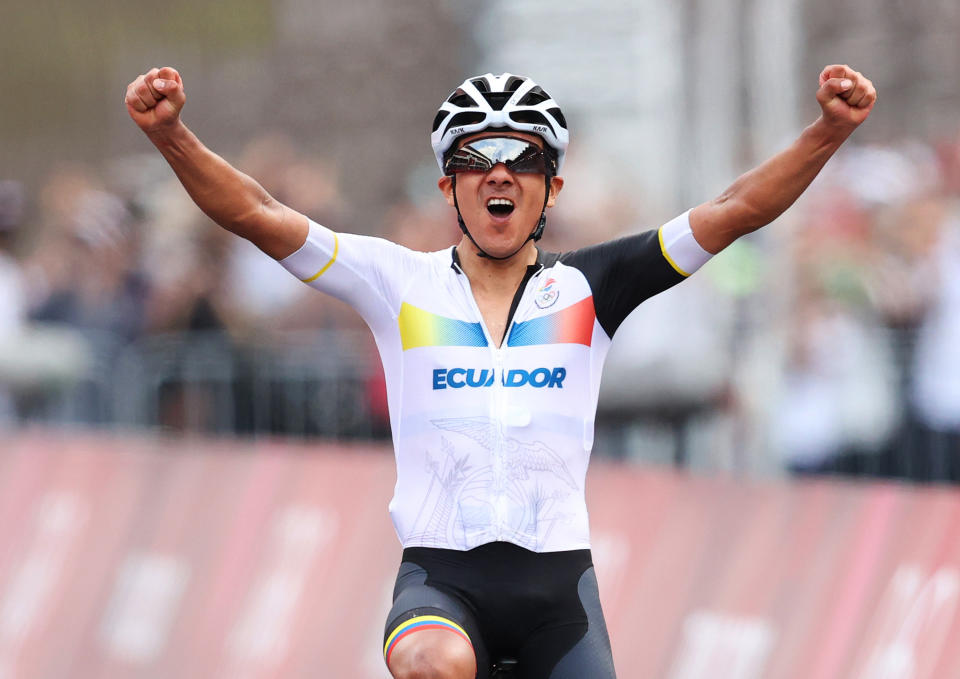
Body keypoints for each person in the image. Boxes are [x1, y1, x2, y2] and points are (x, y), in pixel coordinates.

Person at [125, 64, 876, 678]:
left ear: (552, 188)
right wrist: (172, 136)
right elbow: (257, 213)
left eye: (525, 160)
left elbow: (737, 207)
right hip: (441, 583)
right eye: (476, 161)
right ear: (449, 187)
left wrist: (828, 131)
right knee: (433, 662)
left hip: (560, 595)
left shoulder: (591, 287)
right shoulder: (395, 281)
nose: (501, 175)